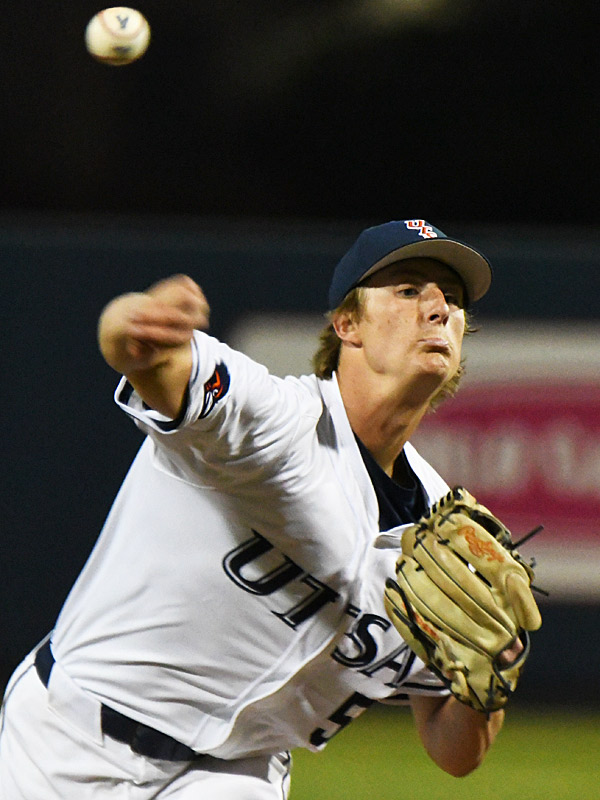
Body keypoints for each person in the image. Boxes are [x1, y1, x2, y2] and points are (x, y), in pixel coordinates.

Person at [0, 219, 513, 799]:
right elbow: (146, 358)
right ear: (347, 324)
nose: (439, 308)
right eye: (408, 289)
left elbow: (455, 752)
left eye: (452, 299)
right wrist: (131, 323)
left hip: (234, 776)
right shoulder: (276, 422)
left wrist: (486, 680)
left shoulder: (449, 537)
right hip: (66, 742)